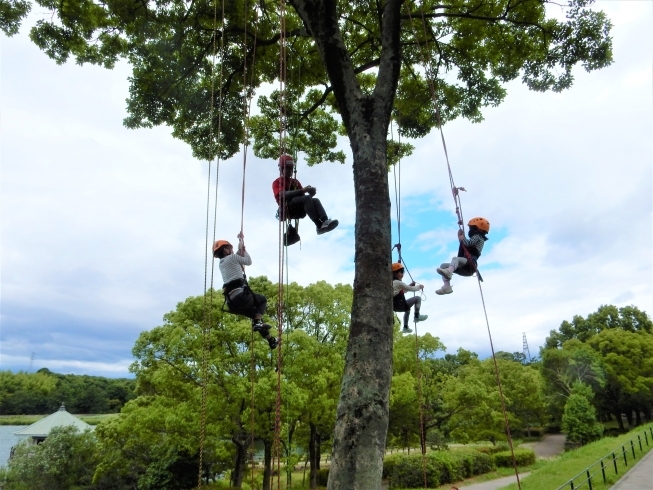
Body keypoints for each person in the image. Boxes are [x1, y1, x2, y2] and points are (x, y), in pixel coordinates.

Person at [214, 233, 278, 349]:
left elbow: (238, 254)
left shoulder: (222, 263)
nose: (231, 249)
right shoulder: (232, 258)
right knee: (262, 300)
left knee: (256, 317)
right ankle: (258, 323)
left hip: (232, 303)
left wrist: (240, 242)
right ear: (225, 250)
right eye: (229, 247)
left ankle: (271, 341)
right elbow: (247, 260)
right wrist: (243, 247)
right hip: (241, 297)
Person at [272, 154, 339, 235]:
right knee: (306, 198)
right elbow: (283, 194)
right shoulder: (277, 182)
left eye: (291, 169)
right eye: (288, 168)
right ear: (282, 169)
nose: (290, 171)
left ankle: (325, 221)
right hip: (288, 208)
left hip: (298, 208)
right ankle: (318, 225)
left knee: (315, 200)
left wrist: (311, 195)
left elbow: (304, 199)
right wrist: (303, 191)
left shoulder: (295, 182)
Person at [435, 217, 489, 295]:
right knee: (443, 266)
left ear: (478, 229)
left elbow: (468, 243)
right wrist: (461, 239)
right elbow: (464, 247)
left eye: (471, 228)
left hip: (470, 264)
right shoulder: (476, 238)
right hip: (465, 266)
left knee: (455, 259)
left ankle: (449, 272)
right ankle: (447, 286)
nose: (470, 230)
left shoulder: (478, 237)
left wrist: (462, 238)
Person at [392, 262, 428, 334]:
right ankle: (417, 316)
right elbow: (410, 289)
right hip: (399, 304)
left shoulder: (393, 283)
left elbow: (403, 290)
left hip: (395, 305)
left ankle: (405, 327)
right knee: (417, 298)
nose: (402, 274)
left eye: (403, 272)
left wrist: (411, 285)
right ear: (395, 273)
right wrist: (419, 287)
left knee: (407, 309)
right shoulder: (397, 282)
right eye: (401, 272)